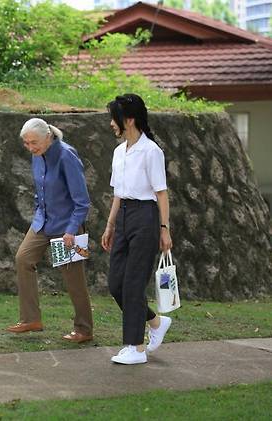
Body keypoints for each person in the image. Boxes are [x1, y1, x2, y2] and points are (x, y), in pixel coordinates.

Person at [7, 118, 94, 344]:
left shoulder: (67, 156)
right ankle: (31, 319)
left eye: (33, 142)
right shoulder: (37, 156)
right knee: (23, 259)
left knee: (73, 278)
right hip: (43, 223)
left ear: (48, 137)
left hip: (67, 227)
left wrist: (71, 230)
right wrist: (39, 209)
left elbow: (82, 201)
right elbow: (40, 189)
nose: (30, 147)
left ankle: (84, 329)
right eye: (26, 143)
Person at [101, 94, 173, 365]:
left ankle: (136, 348)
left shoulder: (151, 151)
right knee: (116, 284)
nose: (111, 123)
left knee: (133, 285)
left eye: (114, 118)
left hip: (146, 218)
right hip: (124, 218)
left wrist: (164, 229)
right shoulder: (119, 152)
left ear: (128, 120)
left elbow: (161, 194)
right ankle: (155, 322)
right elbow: (118, 193)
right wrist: (110, 225)